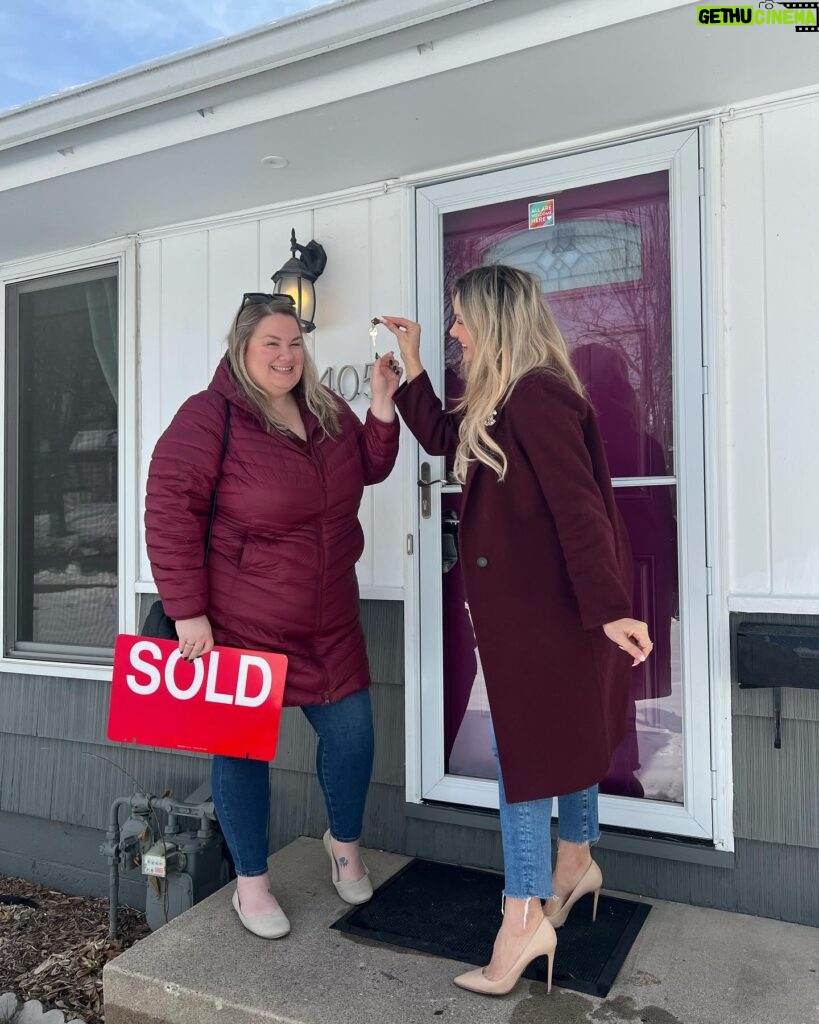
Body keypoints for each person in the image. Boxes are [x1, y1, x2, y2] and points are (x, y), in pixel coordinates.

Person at [380, 265, 652, 996]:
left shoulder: (536, 397)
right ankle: (575, 859)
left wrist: (610, 606)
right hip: (542, 615)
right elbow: (444, 435)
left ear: (494, 322)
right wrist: (410, 369)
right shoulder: (508, 397)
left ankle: (523, 915)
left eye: (460, 320)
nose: (452, 333)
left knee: (524, 760)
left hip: (552, 615)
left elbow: (579, 509)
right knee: (563, 739)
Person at [145, 293, 401, 939]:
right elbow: (169, 512)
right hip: (240, 619)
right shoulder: (209, 418)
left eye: (294, 343)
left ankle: (343, 846)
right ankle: (252, 884)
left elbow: (368, 467)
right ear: (242, 348)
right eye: (271, 344)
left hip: (330, 615)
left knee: (351, 740)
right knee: (241, 754)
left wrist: (380, 403)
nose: (286, 356)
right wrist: (188, 613)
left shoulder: (322, 407)